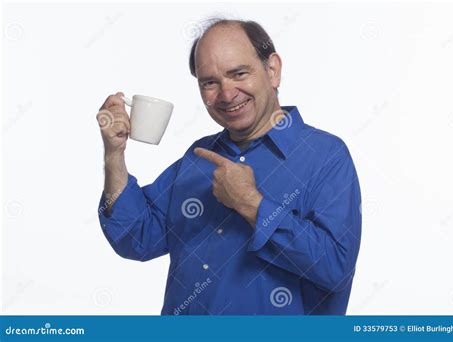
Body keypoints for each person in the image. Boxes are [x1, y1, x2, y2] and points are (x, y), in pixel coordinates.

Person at [96, 19, 362, 315]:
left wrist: (252, 204)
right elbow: (136, 238)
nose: (226, 94)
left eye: (239, 73)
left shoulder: (326, 156)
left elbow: (335, 268)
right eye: (209, 82)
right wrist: (114, 155)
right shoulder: (199, 157)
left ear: (272, 70)